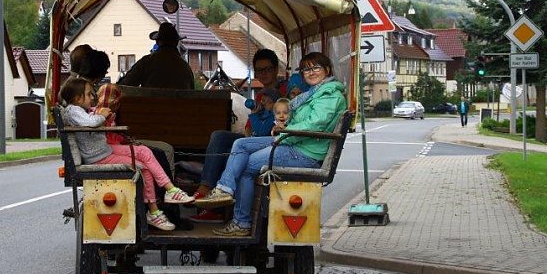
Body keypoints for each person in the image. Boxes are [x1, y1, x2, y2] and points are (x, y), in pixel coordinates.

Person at [195, 52, 347, 237]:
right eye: (306, 69)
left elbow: (315, 124)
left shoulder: (329, 95)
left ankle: (241, 223)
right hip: (295, 142)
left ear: (327, 70)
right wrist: (284, 127)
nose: (311, 72)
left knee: (246, 166)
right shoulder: (315, 93)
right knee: (241, 144)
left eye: (316, 68)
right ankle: (224, 189)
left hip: (304, 152)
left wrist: (285, 131)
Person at [59, 77, 194, 231]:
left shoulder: (78, 111)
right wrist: (102, 116)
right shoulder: (73, 110)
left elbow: (90, 123)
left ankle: (170, 190)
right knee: (143, 167)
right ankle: (154, 211)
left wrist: (101, 116)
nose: (92, 98)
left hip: (104, 151)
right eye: (89, 94)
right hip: (99, 157)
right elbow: (91, 123)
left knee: (144, 151)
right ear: (77, 98)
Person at [191, 49, 286, 223]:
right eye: (259, 70)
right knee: (220, 137)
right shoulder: (259, 95)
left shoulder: (284, 91)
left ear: (276, 69)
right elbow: (249, 126)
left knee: (234, 150)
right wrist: (247, 136)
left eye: (268, 69)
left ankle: (218, 206)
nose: (264, 74)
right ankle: (205, 189)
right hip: (255, 137)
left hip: (272, 139)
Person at [117, 22, 195, 89]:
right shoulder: (185, 67)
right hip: (178, 103)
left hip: (150, 103)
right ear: (176, 42)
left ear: (157, 42)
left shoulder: (146, 62)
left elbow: (124, 86)